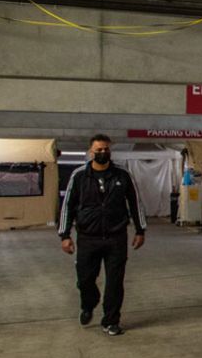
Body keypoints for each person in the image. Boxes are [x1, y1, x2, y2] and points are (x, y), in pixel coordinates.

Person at [58, 134, 147, 336]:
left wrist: (140, 230)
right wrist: (64, 235)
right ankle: (88, 304)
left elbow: (135, 202)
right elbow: (68, 207)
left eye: (106, 149)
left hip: (116, 237)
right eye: (98, 150)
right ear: (91, 152)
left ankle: (111, 320)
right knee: (85, 280)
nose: (103, 152)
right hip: (88, 238)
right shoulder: (79, 175)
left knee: (115, 282)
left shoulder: (122, 175)